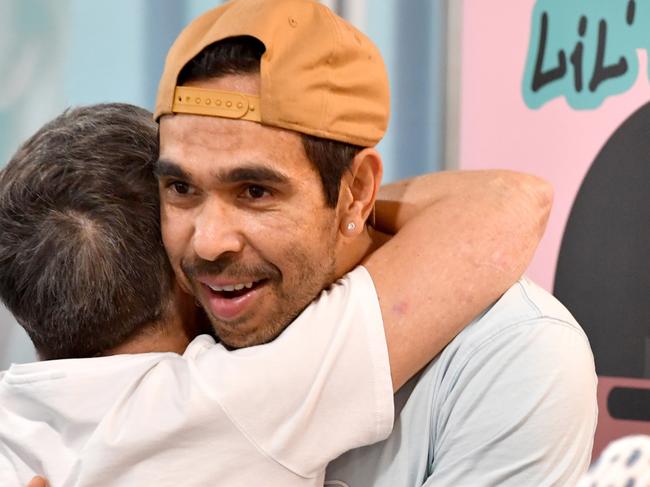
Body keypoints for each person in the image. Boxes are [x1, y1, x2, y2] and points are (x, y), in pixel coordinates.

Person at [152, 0, 597, 485]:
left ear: (357, 193)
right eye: (181, 189)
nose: (209, 242)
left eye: (256, 192)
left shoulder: (510, 356)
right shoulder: (154, 316)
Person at [0, 98, 546, 487]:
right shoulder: (235, 400)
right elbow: (511, 202)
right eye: (186, 194)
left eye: (248, 193)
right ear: (182, 268)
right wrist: (327, 207)